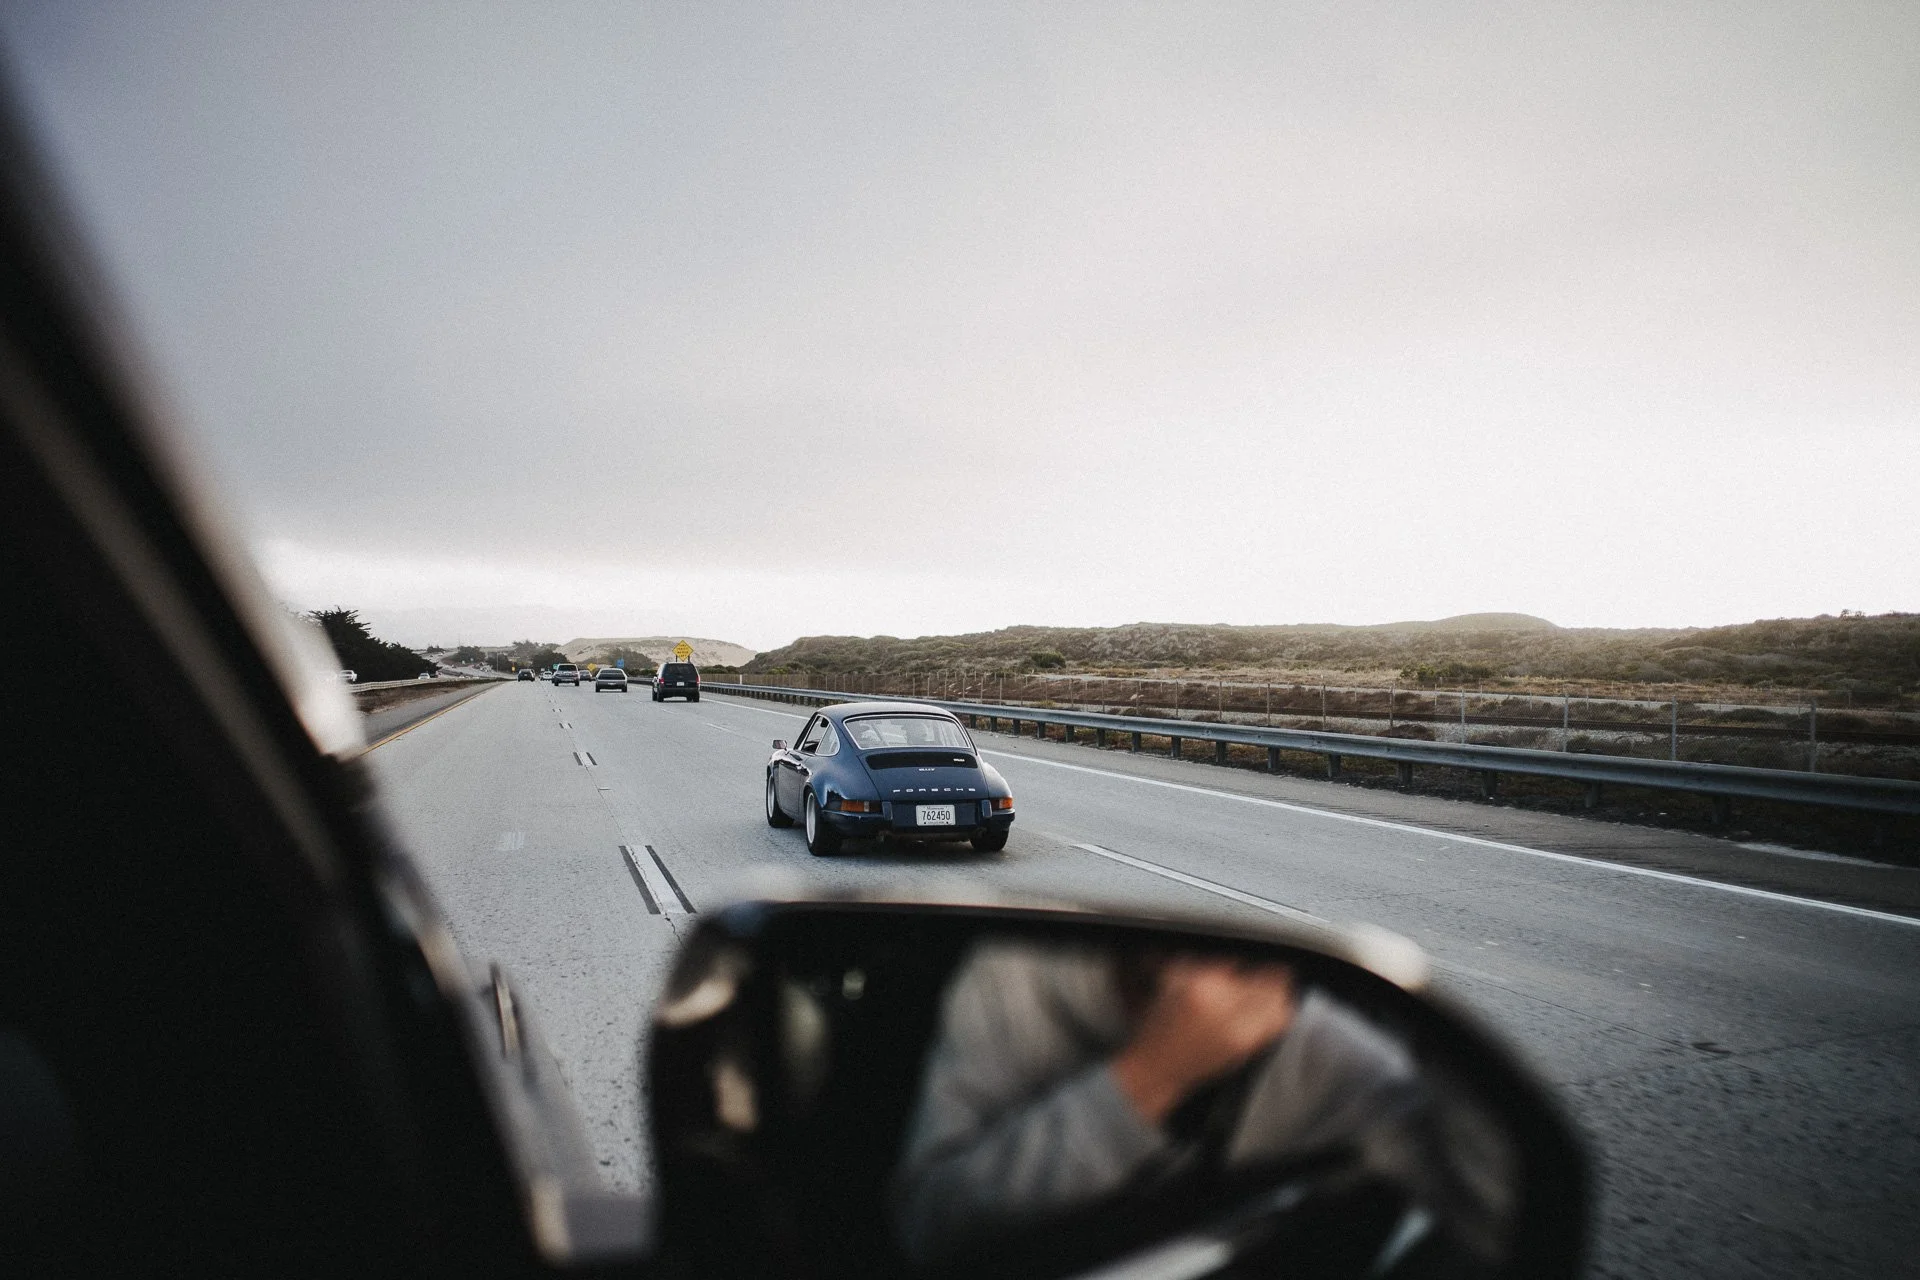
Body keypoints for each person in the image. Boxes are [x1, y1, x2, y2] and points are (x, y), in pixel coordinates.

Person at [890, 938, 1420, 1267]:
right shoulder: (1018, 969)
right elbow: (930, 1229)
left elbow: (1481, 1198)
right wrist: (1152, 1072)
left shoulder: (1331, 1054)